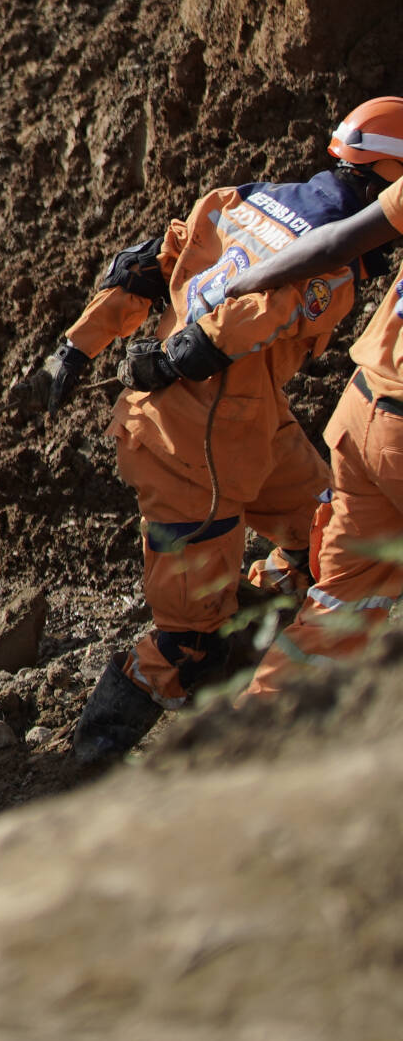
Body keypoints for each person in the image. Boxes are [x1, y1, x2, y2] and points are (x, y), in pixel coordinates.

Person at [22, 107, 397, 759]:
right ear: (387, 176)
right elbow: (252, 318)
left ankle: (265, 636)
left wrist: (75, 349)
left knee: (322, 540)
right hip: (192, 446)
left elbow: (143, 267)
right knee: (188, 638)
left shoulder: (241, 200)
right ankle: (94, 762)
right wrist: (175, 359)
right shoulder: (330, 268)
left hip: (251, 422)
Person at [202, 101, 403, 699]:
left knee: (341, 609)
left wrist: (240, 283)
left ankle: (245, 747)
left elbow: (334, 243)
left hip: (364, 412)